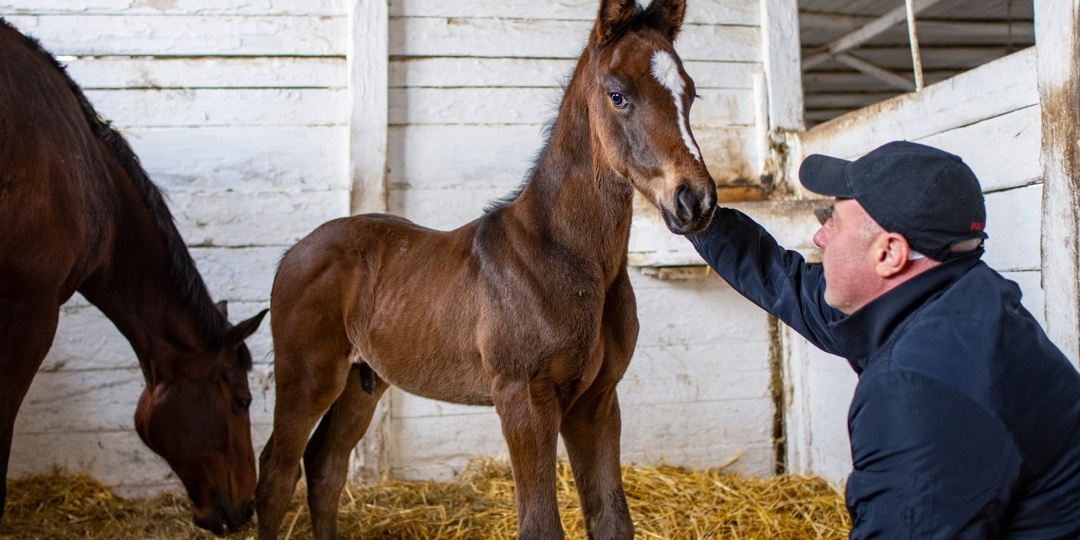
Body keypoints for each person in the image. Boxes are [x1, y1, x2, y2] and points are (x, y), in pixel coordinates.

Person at [687, 140, 1080, 538]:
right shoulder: (962, 298)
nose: (820, 238)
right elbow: (791, 288)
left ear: (890, 254)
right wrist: (702, 221)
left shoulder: (918, 390)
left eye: (833, 222)